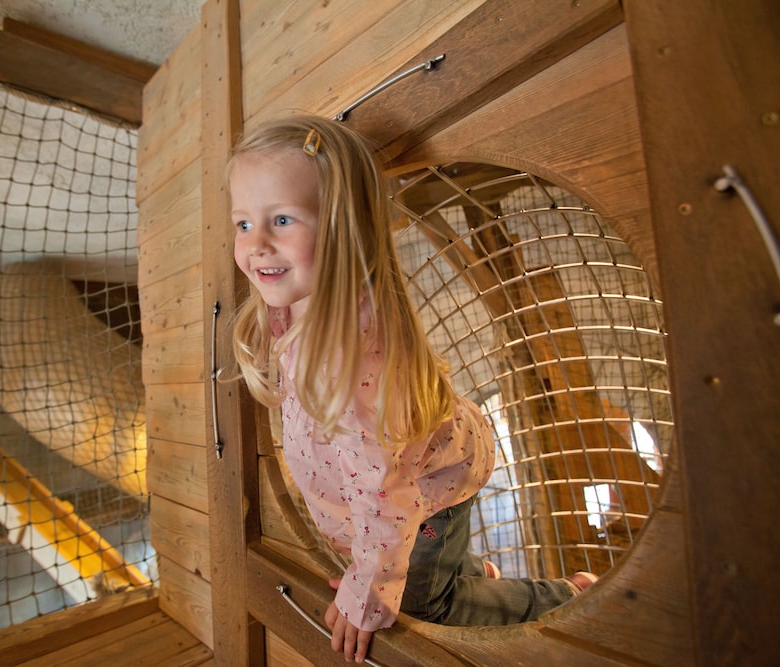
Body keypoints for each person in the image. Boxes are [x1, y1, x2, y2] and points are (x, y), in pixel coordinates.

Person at [227, 114, 598, 664]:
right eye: (242, 224)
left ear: (341, 229)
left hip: (424, 488)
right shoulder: (297, 303)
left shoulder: (350, 369)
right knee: (427, 575)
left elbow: (387, 495)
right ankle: (468, 577)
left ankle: (566, 598)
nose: (255, 244)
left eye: (281, 219)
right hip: (414, 474)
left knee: (426, 609)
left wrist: (365, 594)